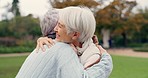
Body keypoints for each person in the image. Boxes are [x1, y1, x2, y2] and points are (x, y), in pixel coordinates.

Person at [16, 6, 113, 78]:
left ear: (75, 34)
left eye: (60, 26)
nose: (55, 29)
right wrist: (106, 63)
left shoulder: (50, 46)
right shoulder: (64, 50)